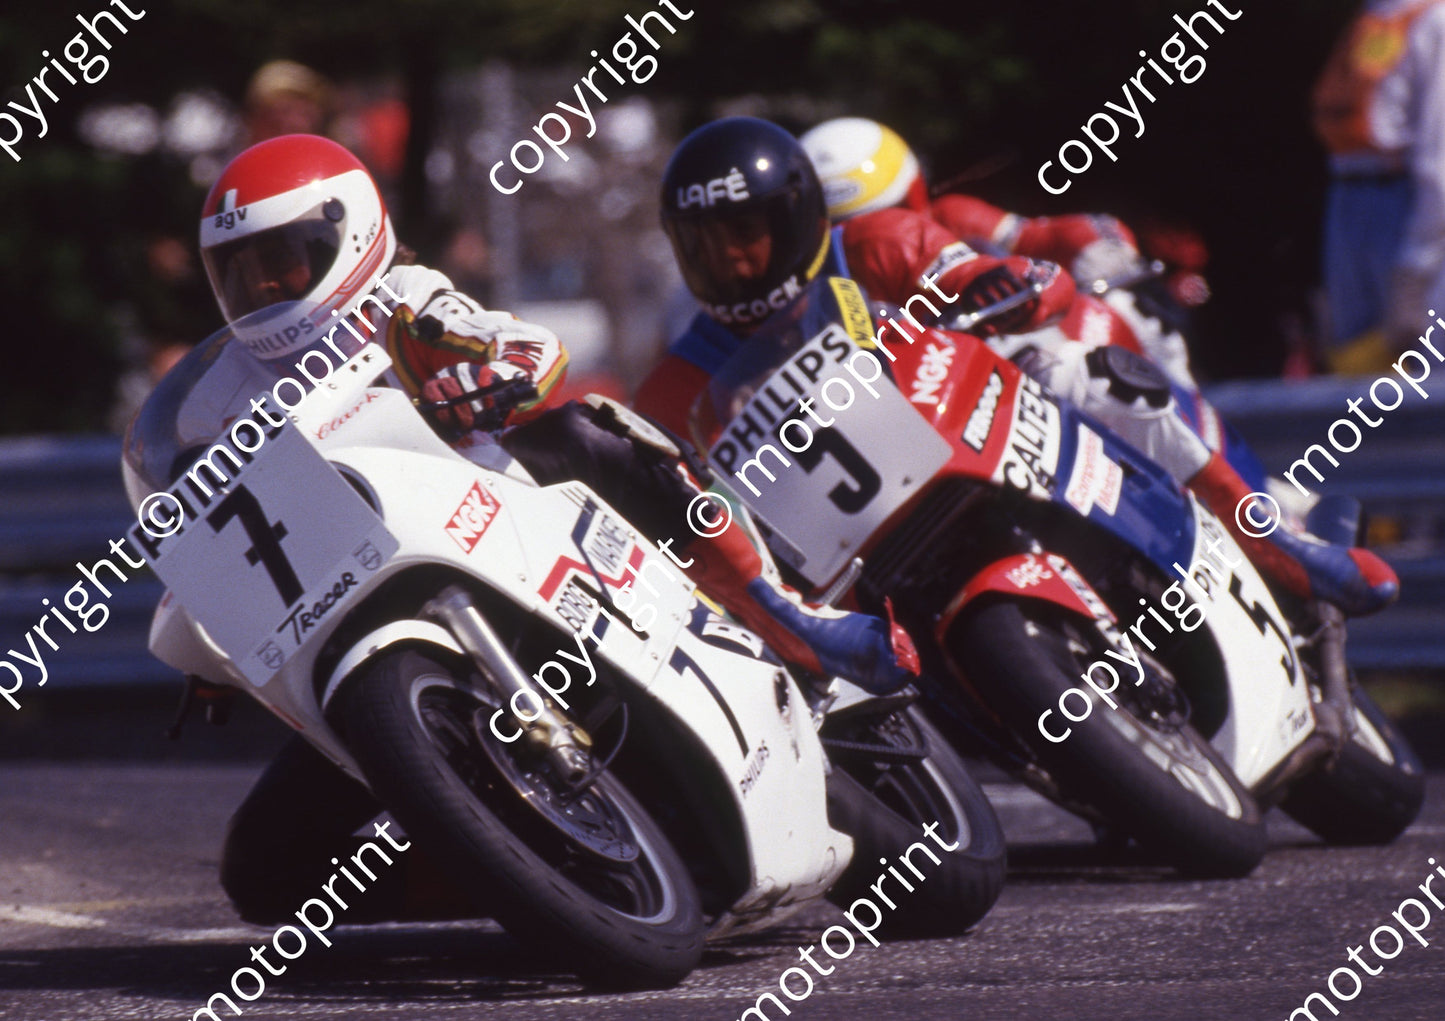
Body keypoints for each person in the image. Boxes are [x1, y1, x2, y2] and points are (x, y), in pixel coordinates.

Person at [198, 133, 918, 921]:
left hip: (502, 528)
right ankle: (530, 874)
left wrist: (498, 374)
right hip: (357, 608)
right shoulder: (220, 393)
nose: (266, 284)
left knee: (587, 429)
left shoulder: (402, 300)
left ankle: (784, 612)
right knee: (260, 872)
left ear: (352, 234)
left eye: (285, 259)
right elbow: (197, 503)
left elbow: (523, 345)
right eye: (242, 269)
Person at [634, 117, 1398, 618]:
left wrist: (1012, 284)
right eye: (702, 243)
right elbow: (673, 493)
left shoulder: (877, 242)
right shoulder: (679, 373)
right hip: (848, 534)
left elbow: (1004, 267)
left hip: (970, 411)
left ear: (799, 219)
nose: (731, 260)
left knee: (1093, 369)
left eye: (747, 232)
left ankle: (1272, 538)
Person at [1312, 0, 1445, 373]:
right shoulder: (1373, 17)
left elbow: (1439, 153)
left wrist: (1417, 264)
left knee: (1415, 351)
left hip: (1403, 202)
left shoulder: (1435, 20)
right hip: (1347, 196)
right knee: (1355, 356)